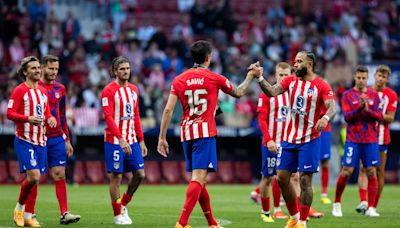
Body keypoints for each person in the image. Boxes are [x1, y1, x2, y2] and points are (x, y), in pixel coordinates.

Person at [157, 40, 262, 228]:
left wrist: (162, 137)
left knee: (200, 179)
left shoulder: (179, 79)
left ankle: (212, 223)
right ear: (208, 57)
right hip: (205, 133)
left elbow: (168, 110)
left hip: (186, 133)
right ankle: (181, 224)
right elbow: (238, 92)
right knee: (198, 178)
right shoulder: (215, 78)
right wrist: (251, 76)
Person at [254, 51, 336, 228]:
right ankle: (294, 216)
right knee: (282, 177)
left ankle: (302, 221)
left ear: (310, 64)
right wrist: (260, 78)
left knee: (305, 180)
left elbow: (332, 107)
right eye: (295, 61)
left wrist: (325, 118)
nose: (295, 64)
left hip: (310, 139)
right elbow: (272, 91)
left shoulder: (321, 85)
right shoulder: (291, 81)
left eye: (299, 62)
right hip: (289, 138)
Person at [7, 56, 57, 227]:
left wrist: (50, 118)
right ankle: (19, 209)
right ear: (25, 72)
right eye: (33, 68)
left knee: (35, 179)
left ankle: (29, 216)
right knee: (34, 176)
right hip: (24, 140)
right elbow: (10, 113)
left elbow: (47, 112)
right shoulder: (19, 90)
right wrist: (27, 118)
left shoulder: (42, 91)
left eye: (38, 67)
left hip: (41, 141)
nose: (38, 70)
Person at [31, 55, 80, 225]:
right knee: (34, 177)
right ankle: (29, 213)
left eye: (56, 69)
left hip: (57, 138)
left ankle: (64, 213)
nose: (54, 72)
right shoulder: (34, 88)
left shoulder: (61, 88)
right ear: (42, 68)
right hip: (38, 138)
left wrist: (66, 139)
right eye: (51, 68)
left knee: (59, 174)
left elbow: (62, 116)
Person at [101, 56, 148, 225]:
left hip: (132, 139)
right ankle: (117, 215)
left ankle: (123, 205)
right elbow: (108, 117)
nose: (125, 71)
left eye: (127, 68)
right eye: (122, 69)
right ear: (115, 71)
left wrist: (141, 140)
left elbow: (135, 116)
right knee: (117, 176)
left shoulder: (134, 90)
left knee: (140, 174)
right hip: (114, 141)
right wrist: (120, 139)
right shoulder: (108, 91)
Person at [332, 65, 382, 217]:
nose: (361, 81)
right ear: (354, 77)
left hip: (370, 139)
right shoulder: (348, 95)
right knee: (347, 171)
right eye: (359, 78)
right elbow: (347, 117)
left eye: (364, 78)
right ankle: (337, 204)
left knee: (372, 171)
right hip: (353, 139)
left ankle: (371, 208)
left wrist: (368, 110)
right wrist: (360, 108)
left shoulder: (374, 95)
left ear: (368, 79)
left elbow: (379, 117)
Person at [252, 62, 291, 222]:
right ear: (275, 75)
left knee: (284, 177)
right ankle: (265, 212)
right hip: (272, 143)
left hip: (288, 143)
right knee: (268, 177)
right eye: (280, 75)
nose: (283, 78)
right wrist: (269, 140)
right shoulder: (267, 94)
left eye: (286, 75)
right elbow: (261, 119)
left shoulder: (293, 94)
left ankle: (279, 210)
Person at [356, 65, 398, 214]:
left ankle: (373, 206)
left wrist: (371, 113)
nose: (381, 78)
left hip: (382, 139)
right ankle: (364, 202)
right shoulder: (366, 92)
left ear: (387, 79)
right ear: (375, 76)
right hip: (366, 137)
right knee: (364, 168)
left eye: (384, 77)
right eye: (379, 75)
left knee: (379, 171)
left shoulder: (391, 95)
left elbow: (390, 118)